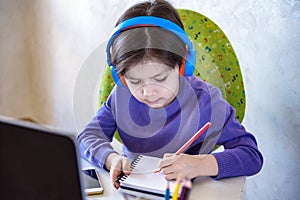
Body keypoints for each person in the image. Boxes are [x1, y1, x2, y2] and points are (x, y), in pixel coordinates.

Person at [77, 0, 263, 189]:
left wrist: (200, 164)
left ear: (183, 63)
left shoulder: (206, 101)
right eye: (135, 81)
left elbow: (251, 156)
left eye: (160, 78)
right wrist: (111, 158)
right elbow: (87, 136)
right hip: (135, 192)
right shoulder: (121, 95)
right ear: (120, 76)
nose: (148, 92)